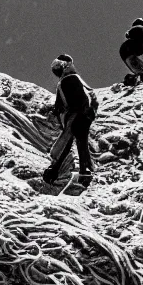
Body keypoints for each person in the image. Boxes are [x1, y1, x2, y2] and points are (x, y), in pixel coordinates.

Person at [43, 54, 98, 188]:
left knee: (71, 142)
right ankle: (84, 171)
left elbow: (81, 97)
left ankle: (63, 172)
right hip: (81, 115)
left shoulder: (69, 79)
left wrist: (82, 110)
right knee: (80, 142)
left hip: (77, 115)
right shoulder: (68, 80)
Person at [120, 18, 143, 86]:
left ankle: (131, 79)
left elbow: (128, 35)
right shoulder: (140, 29)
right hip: (128, 51)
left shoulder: (140, 31)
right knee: (141, 70)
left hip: (126, 52)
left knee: (138, 68)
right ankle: (132, 79)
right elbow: (130, 34)